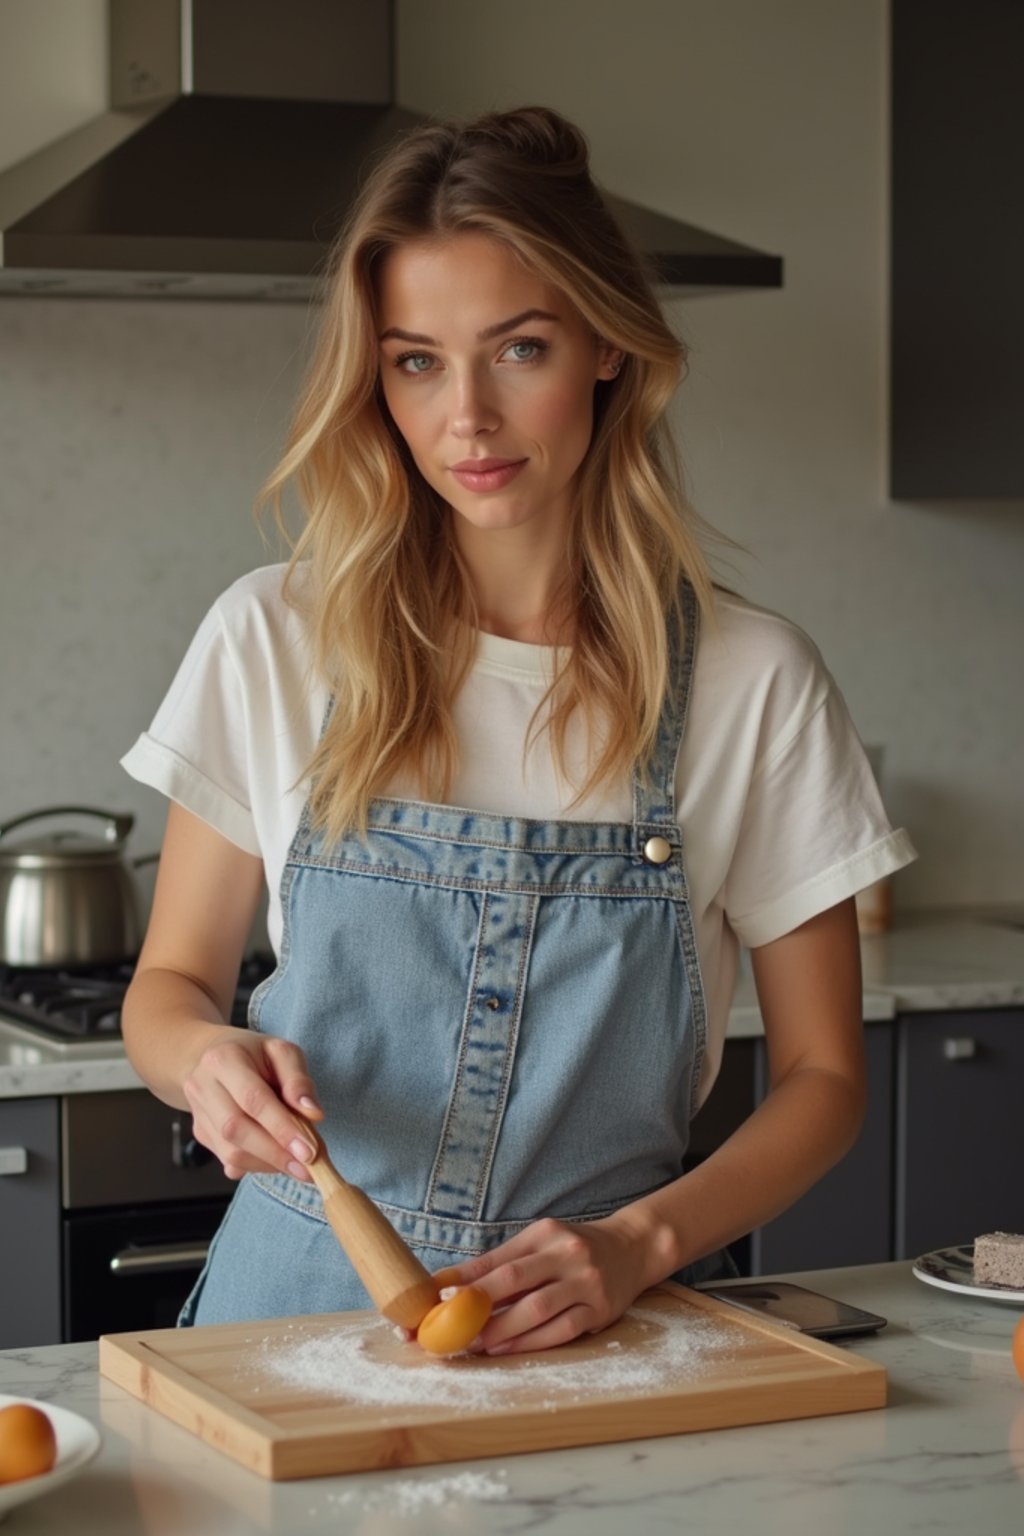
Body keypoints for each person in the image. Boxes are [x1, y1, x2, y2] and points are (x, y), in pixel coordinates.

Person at [120, 105, 915, 1353]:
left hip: (597, 1325)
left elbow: (825, 1081)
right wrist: (203, 1059)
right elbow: (166, 991)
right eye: (416, 360)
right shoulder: (271, 636)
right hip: (284, 1322)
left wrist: (641, 1240)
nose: (467, 420)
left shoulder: (754, 681)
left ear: (605, 344)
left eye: (520, 349)